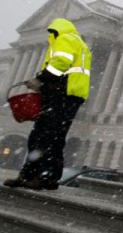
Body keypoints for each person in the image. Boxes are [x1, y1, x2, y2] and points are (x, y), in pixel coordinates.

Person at [4, 18, 92, 191]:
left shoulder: (65, 39)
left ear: (56, 30)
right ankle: (40, 176)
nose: (50, 36)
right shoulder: (79, 43)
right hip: (68, 95)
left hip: (62, 95)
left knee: (45, 137)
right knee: (51, 138)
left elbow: (60, 63)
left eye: (51, 32)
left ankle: (40, 177)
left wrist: (39, 79)